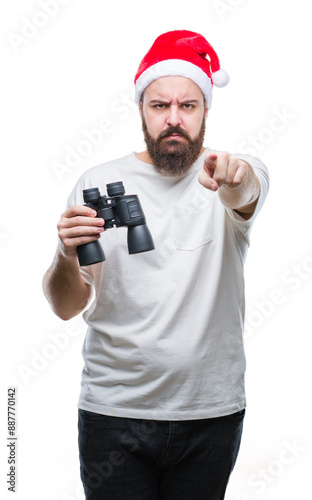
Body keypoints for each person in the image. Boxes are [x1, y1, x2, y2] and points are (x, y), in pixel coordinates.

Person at [43, 30, 269, 500]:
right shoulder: (100, 181)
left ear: (207, 109)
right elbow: (66, 308)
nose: (173, 119)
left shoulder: (230, 170)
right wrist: (66, 251)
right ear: (141, 109)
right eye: (159, 105)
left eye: (188, 106)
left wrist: (237, 178)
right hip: (113, 411)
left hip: (210, 413)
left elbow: (244, 191)